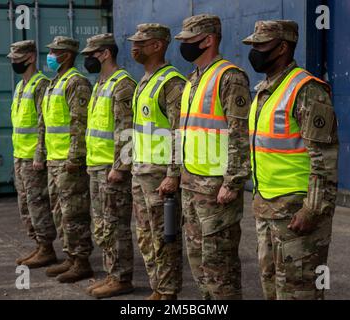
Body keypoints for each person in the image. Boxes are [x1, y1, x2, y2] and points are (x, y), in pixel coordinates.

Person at [243, 20, 339, 300]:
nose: (254, 52)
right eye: (253, 45)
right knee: (272, 288)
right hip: (268, 209)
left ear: (282, 47)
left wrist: (312, 210)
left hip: (297, 213)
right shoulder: (265, 89)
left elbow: (325, 159)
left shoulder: (306, 90)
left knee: (300, 291)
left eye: (260, 45)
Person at [175, 14, 251, 300]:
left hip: (216, 188)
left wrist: (232, 182)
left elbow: (239, 134)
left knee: (220, 267)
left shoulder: (230, 77)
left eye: (188, 40)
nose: (183, 46)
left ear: (207, 40)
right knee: (199, 264)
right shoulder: (193, 79)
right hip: (191, 184)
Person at [127, 23, 186, 300]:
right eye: (133, 42)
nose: (134, 47)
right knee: (145, 235)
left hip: (160, 174)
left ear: (158, 45)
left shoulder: (172, 82)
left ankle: (168, 291)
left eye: (141, 42)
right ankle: (157, 287)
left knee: (165, 237)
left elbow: (179, 133)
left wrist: (173, 174)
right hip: (141, 171)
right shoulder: (144, 80)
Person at [81, 33, 136, 298]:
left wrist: (120, 167)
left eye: (91, 54)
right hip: (96, 166)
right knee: (103, 224)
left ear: (105, 53)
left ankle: (122, 277)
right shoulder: (100, 83)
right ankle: (111, 274)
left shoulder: (122, 84)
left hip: (111, 170)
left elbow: (126, 131)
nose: (87, 59)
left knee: (116, 225)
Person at [42, 36, 94, 283]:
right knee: (60, 213)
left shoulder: (76, 83)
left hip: (68, 161)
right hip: (55, 159)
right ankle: (70, 257)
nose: (50, 55)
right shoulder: (56, 83)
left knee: (74, 213)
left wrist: (75, 157)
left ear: (67, 55)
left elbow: (79, 123)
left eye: (55, 52)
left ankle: (81, 261)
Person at [8, 40, 57, 268]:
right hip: (20, 155)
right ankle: (38, 244)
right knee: (25, 205)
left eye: (18, 59)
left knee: (38, 204)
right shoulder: (21, 86)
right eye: (12, 59)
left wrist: (40, 154)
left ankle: (46, 248)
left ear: (31, 58)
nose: (14, 63)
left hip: (33, 159)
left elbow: (43, 123)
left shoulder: (41, 85)